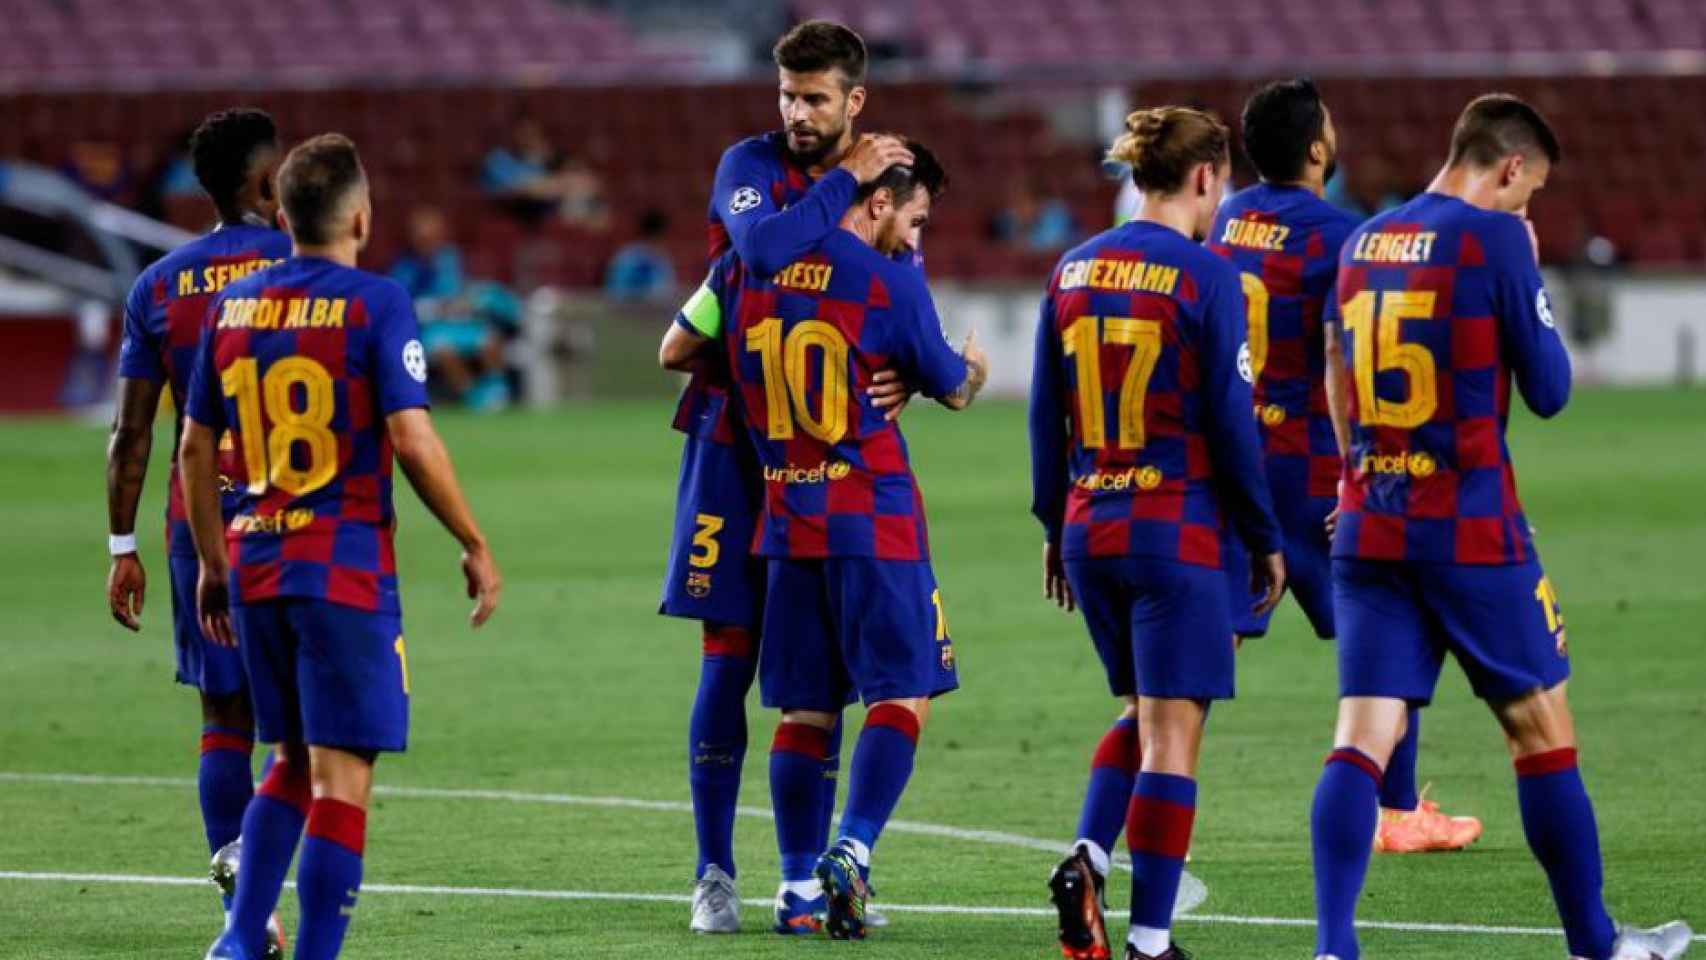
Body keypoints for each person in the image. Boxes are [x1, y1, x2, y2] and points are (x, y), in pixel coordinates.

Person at [1308, 94, 1692, 960]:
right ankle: (1598, 946)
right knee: (1541, 729)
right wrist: (1529, 264)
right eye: (1533, 192)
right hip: (1471, 528)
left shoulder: (1362, 239)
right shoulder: (1491, 238)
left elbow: (1335, 363)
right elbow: (1551, 392)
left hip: (1369, 524)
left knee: (1361, 739)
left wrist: (1353, 467)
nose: (1531, 209)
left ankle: (1335, 948)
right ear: (1511, 168)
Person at [184, 133, 502, 960]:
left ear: (281, 214)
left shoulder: (234, 305)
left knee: (287, 759)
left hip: (253, 560)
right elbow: (412, 435)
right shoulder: (376, 302)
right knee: (343, 774)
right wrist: (472, 539)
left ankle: (239, 941)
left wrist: (214, 563)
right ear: (362, 215)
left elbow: (192, 448)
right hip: (343, 568)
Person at [664, 140, 987, 942]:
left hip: (785, 518)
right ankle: (854, 846)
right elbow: (949, 383)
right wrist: (969, 367)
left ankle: (798, 889)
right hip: (874, 517)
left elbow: (677, 348)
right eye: (911, 219)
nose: (915, 240)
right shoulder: (883, 280)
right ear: (876, 202)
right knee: (902, 692)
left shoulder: (741, 270)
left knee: (804, 712)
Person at [654, 18, 914, 936]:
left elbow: (895, 299)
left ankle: (805, 881)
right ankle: (713, 871)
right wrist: (846, 180)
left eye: (814, 98)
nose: (796, 114)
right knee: (728, 660)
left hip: (829, 456)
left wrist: (910, 375)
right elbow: (761, 253)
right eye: (787, 96)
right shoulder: (749, 166)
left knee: (823, 673)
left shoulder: (888, 184)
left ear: (855, 100)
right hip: (733, 450)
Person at [1031, 106, 1286, 960]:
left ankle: (1089, 860)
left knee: (1141, 711)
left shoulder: (1068, 270)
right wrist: (1264, 535)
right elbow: (1232, 423)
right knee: (1175, 735)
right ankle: (1148, 941)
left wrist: (1051, 522)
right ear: (1207, 176)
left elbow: (1045, 416)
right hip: (1175, 530)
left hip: (1088, 524)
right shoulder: (1207, 276)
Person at [1207, 78, 1481, 852]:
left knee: (1204, 646)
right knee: (1398, 619)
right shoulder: (1345, 236)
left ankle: (1150, 801)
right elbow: (1353, 361)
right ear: (1319, 148)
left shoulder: (1228, 218)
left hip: (1236, 462)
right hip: (1315, 470)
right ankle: (1396, 811)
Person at [105, 107, 292, 960]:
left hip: (203, 525)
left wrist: (121, 548)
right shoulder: (311, 266)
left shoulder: (158, 284)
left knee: (224, 717)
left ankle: (242, 914)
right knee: (310, 730)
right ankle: (288, 909)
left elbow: (133, 433)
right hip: (307, 524)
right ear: (265, 184)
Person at [389, 205, 509, 410]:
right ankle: (472, 396)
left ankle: (497, 391)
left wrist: (466, 301)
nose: (428, 241)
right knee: (444, 349)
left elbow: (461, 289)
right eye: (423, 236)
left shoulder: (450, 257)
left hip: (460, 322)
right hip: (428, 329)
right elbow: (399, 304)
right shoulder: (405, 266)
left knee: (489, 338)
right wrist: (435, 307)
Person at [604, 208, 676, 301]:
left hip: (657, 312)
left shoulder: (662, 258)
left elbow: (668, 292)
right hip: (630, 310)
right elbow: (616, 291)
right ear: (658, 234)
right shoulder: (628, 257)